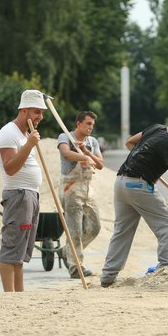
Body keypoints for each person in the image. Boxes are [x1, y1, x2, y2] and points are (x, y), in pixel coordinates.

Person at [100, 111, 168, 288]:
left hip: (121, 182)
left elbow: (130, 142)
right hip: (138, 185)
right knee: (166, 224)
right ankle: (166, 269)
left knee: (122, 231)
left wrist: (145, 159)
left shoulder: (156, 128)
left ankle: (108, 277)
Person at [0, 90, 46, 292]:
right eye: (36, 112)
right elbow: (10, 167)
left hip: (29, 194)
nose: (39, 117)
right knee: (12, 247)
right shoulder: (9, 133)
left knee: (20, 250)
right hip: (18, 194)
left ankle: (19, 293)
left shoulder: (24, 134)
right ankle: (9, 295)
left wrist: (28, 142)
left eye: (41, 112)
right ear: (24, 111)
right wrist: (30, 144)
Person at [57, 111, 104, 279]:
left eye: (92, 124)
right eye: (88, 124)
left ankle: (67, 251)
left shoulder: (92, 142)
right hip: (71, 187)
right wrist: (82, 156)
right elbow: (66, 153)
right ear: (78, 123)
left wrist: (87, 152)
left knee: (95, 227)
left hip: (88, 188)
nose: (91, 127)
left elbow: (100, 164)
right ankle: (76, 267)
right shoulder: (65, 137)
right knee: (75, 230)